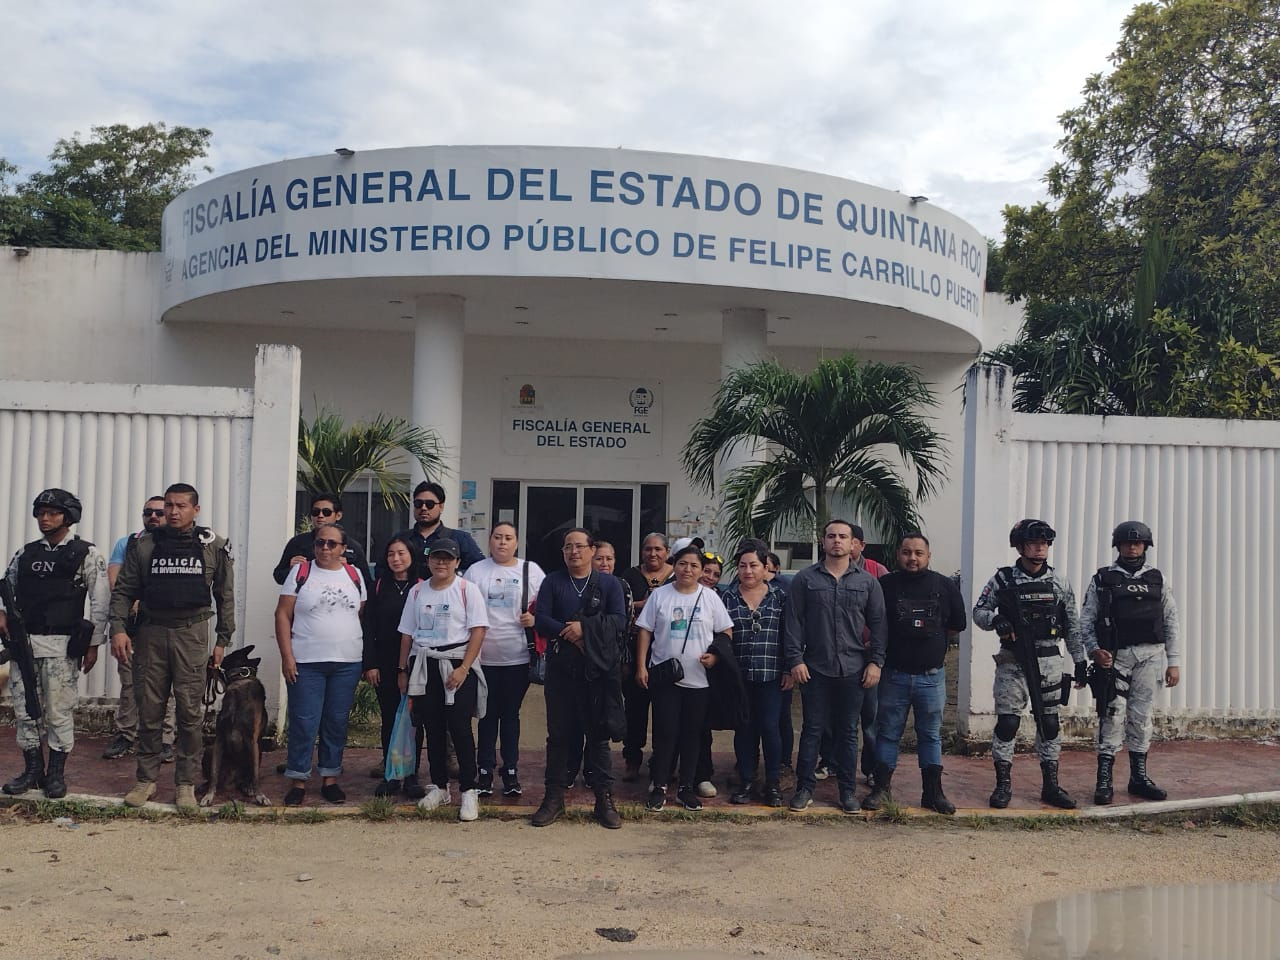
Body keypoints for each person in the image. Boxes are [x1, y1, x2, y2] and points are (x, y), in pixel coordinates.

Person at [110, 483, 235, 812]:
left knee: (190, 716)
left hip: (191, 636)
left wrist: (223, 640)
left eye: (181, 506)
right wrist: (119, 630)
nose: (173, 511)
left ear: (196, 510)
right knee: (150, 712)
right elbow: (123, 591)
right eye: (169, 505)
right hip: (151, 635)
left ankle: (185, 784)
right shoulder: (145, 545)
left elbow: (225, 597)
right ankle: (146, 779)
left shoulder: (213, 546)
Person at [973, 518, 1088, 810]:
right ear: (1021, 546)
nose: (1040, 548)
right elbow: (979, 611)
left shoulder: (1058, 582)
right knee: (1008, 722)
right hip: (1013, 661)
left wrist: (1080, 661)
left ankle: (1050, 785)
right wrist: (996, 620)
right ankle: (1002, 785)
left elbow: (1072, 625)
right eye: (1034, 543)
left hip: (1049, 659)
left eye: (1044, 543)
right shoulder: (1003, 579)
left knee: (1049, 724)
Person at [1, 489, 108, 799]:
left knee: (58, 711)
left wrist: (93, 645)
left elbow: (100, 602)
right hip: (25, 644)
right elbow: (7, 585)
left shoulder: (86, 554)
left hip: (62, 645)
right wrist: (3, 614)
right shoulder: (26, 553)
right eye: (40, 512)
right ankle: (32, 770)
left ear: (68, 516)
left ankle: (56, 775)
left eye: (53, 513)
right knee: (25, 710)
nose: (45, 519)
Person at [783, 519, 886, 813]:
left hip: (854, 669)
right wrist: (795, 660)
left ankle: (847, 792)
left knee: (848, 732)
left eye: (843, 536)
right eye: (831, 536)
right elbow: (793, 623)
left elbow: (879, 625)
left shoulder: (867, 582)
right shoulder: (805, 580)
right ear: (823, 541)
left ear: (853, 542)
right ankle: (805, 789)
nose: (836, 541)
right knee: (812, 729)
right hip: (815, 668)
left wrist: (876, 663)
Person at [861, 533, 967, 814]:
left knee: (930, 735)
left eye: (919, 553)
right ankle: (881, 790)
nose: (912, 558)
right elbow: (873, 621)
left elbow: (956, 625)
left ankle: (933, 793)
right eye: (907, 552)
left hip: (931, 678)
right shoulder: (885, 585)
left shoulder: (944, 586)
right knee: (887, 733)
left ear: (928, 556)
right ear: (898, 554)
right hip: (893, 676)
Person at [530, 529, 627, 829]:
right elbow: (540, 618)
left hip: (597, 671)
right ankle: (554, 798)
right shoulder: (553, 582)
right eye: (568, 547)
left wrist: (585, 628)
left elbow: (620, 621)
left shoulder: (610, 584)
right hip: (561, 671)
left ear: (591, 550)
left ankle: (604, 799)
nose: (574, 551)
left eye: (580, 546)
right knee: (559, 737)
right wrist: (568, 632)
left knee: (597, 737)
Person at [1081, 520, 1180, 804]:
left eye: (1138, 543)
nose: (1133, 547)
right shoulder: (1102, 579)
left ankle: (1138, 777)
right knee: (1111, 715)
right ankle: (1104, 780)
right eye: (1127, 542)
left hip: (1150, 656)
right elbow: (1086, 619)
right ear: (1118, 546)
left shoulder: (1157, 579)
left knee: (1142, 717)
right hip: (1115, 658)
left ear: (1145, 546)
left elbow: (1171, 621)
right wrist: (1094, 650)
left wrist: (1174, 661)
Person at [635, 544, 734, 811]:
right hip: (665, 678)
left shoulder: (710, 598)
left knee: (692, 735)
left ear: (701, 570)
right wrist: (641, 666)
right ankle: (659, 785)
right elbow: (644, 630)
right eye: (682, 564)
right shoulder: (660, 596)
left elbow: (726, 632)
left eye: (693, 565)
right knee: (665, 733)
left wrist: (714, 656)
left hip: (699, 680)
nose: (687, 569)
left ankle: (686, 788)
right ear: (674, 566)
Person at [276, 523, 367, 805]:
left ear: (343, 548)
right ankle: (299, 779)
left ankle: (330, 778)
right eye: (319, 543)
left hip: (346, 662)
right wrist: (287, 656)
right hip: (307, 661)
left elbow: (360, 612)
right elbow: (282, 614)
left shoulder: (355, 574)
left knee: (336, 722)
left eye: (331, 544)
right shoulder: (300, 573)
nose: (324, 548)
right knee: (304, 722)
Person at [397, 539, 488, 822]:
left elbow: (478, 631)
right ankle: (439, 787)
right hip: (425, 666)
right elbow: (407, 634)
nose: (441, 563)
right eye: (436, 557)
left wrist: (463, 668)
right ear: (428, 560)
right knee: (432, 727)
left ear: (457, 562)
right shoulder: (417, 591)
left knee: (460, 728)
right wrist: (402, 670)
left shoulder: (466, 590)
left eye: (447, 558)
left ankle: (469, 790)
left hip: (457, 665)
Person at [465, 522, 544, 799]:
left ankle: (510, 771)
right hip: (483, 657)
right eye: (497, 537)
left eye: (508, 538)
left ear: (517, 543)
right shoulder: (476, 571)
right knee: (486, 716)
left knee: (510, 715)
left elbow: (545, 606)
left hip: (517, 656)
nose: (502, 542)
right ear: (489, 541)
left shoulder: (530, 570)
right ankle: (484, 770)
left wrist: (534, 619)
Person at [102, 496, 176, 763]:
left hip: (164, 625)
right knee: (130, 682)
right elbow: (115, 580)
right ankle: (126, 734)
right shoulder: (128, 543)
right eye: (148, 512)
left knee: (164, 684)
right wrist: (133, 603)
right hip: (133, 626)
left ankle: (165, 740)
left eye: (159, 512)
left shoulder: (177, 543)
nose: (154, 516)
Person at [816, 525, 886, 785]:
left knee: (869, 717)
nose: (841, 543)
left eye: (848, 539)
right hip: (831, 659)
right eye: (833, 537)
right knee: (830, 719)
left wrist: (876, 658)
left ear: (859, 544)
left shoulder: (876, 573)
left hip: (866, 659)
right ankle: (829, 762)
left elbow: (881, 617)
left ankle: (870, 769)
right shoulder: (817, 575)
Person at [722, 542, 790, 807]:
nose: (748, 571)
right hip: (739, 677)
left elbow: (790, 635)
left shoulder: (780, 597)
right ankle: (747, 781)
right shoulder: (727, 597)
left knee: (771, 729)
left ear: (766, 568)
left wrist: (789, 669)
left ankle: (772, 783)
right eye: (742, 566)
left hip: (772, 674)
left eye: (754, 565)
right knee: (744, 729)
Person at [564, 539, 634, 788]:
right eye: (600, 558)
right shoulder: (576, 586)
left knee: (601, 722)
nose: (605, 563)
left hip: (609, 662)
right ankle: (570, 769)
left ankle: (596, 774)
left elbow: (623, 624)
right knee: (573, 722)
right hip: (576, 663)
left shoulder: (620, 586)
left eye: (610, 559)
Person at [361, 534, 422, 797]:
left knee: (414, 720)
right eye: (390, 554)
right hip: (384, 663)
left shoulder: (423, 586)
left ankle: (411, 776)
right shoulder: (377, 587)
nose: (396, 559)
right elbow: (368, 627)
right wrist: (370, 664)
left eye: (401, 553)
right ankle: (391, 775)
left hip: (417, 662)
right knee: (389, 719)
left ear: (411, 556)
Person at [619, 532, 673, 781]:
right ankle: (632, 759)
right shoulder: (629, 577)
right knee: (635, 711)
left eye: (658, 549)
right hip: (634, 653)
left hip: (666, 654)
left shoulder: (676, 575)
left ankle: (663, 762)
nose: (653, 554)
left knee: (665, 713)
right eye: (648, 549)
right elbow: (622, 607)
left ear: (667, 552)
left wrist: (645, 604)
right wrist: (646, 604)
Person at [273, 492, 372, 589]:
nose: (320, 516)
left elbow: (366, 583)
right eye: (315, 512)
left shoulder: (352, 546)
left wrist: (348, 570)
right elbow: (278, 576)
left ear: (338, 515)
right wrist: (291, 569)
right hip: (305, 601)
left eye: (326, 512)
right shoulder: (297, 542)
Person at [385, 481, 484, 577]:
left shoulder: (460, 538)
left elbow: (480, 569)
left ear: (441, 507)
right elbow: (382, 569)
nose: (423, 508)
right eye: (418, 503)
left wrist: (452, 576)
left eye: (430, 504)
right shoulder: (400, 539)